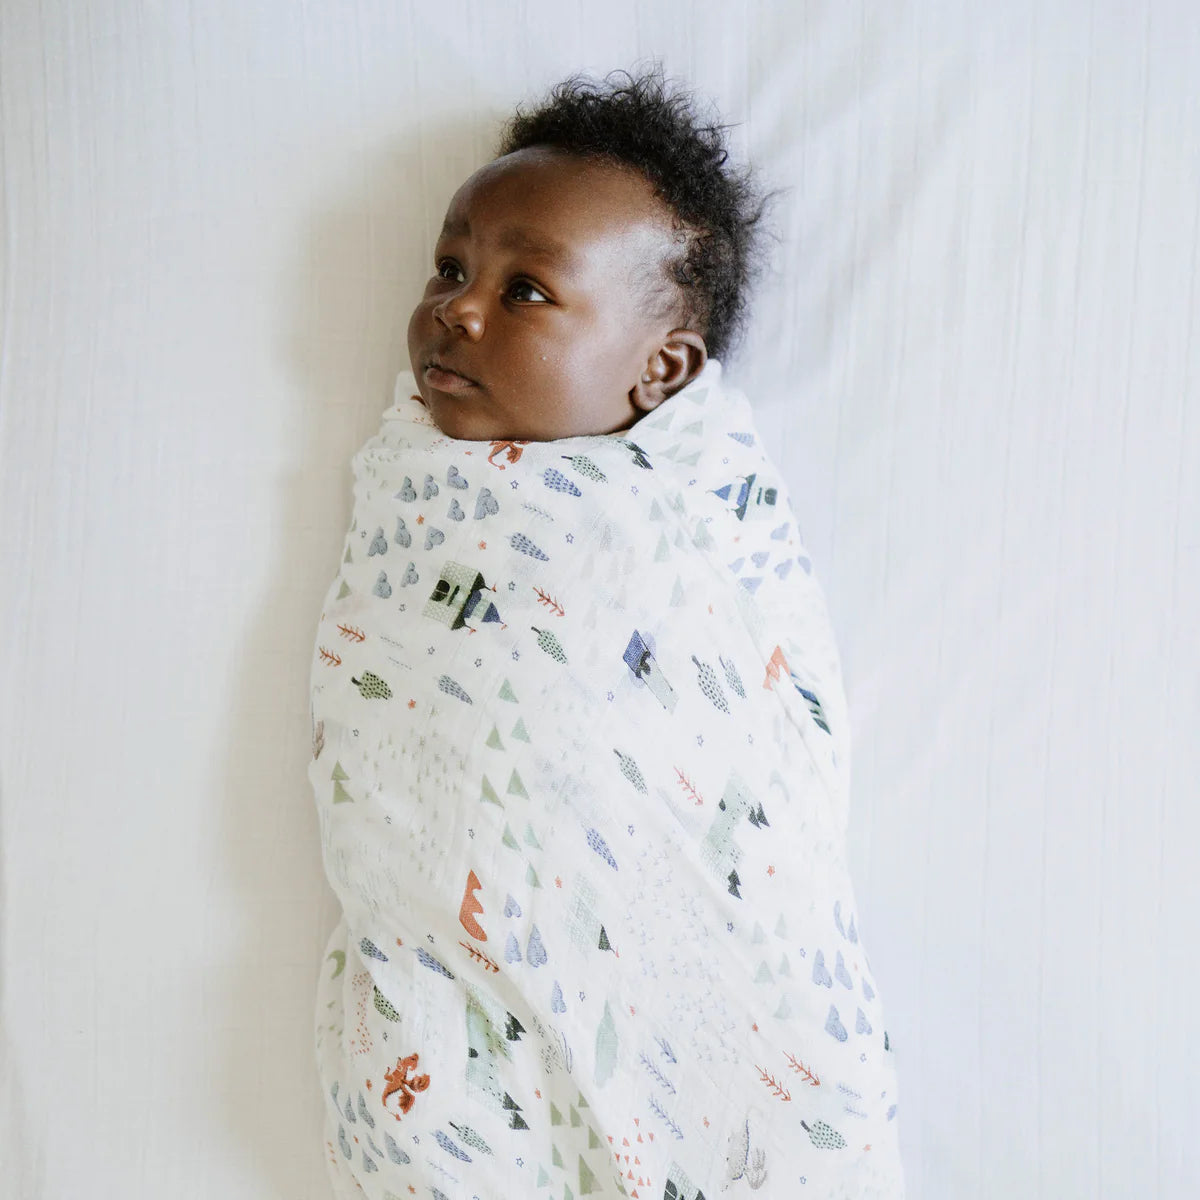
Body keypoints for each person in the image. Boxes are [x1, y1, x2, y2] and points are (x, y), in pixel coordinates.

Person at [310, 69, 905, 1199]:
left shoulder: (685, 512)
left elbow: (761, 735)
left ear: (659, 370)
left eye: (525, 290)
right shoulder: (414, 482)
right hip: (443, 976)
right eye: (450, 268)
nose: (457, 310)